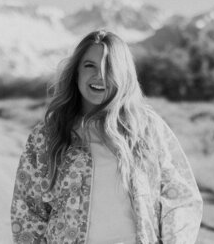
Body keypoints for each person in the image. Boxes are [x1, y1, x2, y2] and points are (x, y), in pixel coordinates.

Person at [10, 30, 203, 244]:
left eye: (110, 66)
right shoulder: (47, 135)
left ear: (123, 74)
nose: (99, 75)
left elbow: (181, 196)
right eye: (89, 65)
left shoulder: (146, 127)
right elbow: (28, 210)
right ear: (76, 73)